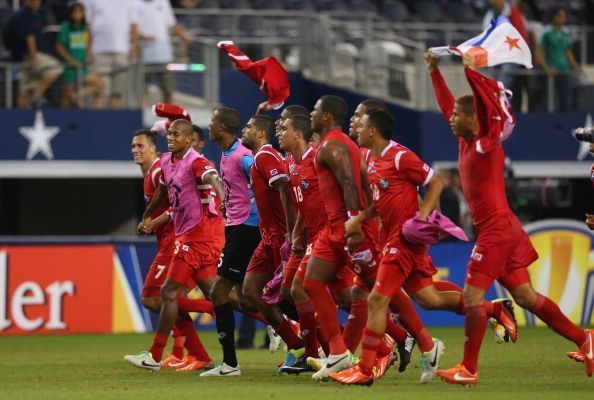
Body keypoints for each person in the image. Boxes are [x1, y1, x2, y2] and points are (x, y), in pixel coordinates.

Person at [424, 50, 593, 385]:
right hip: (505, 226)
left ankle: (468, 369)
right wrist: (435, 73)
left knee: (472, 297)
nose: (451, 118)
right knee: (525, 297)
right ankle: (585, 339)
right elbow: (447, 106)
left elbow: (488, 110)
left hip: (496, 230)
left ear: (474, 120)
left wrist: (471, 73)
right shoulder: (465, 140)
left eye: (458, 115)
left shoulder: (488, 144)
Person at [124, 119, 226, 372]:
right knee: (222, 295)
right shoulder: (168, 163)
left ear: (189, 139)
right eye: (168, 133)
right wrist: (147, 215)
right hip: (186, 237)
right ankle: (280, 324)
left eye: (176, 134)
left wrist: (223, 194)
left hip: (194, 238)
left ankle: (156, 356)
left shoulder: (195, 161)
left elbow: (211, 176)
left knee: (163, 295)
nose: (170, 137)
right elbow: (162, 191)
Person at [201, 107, 266, 377]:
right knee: (253, 297)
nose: (209, 125)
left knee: (218, 292)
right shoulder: (227, 154)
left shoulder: (244, 157)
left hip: (246, 231)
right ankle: (299, 334)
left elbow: (268, 186)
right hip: (237, 229)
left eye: (213, 121)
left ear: (223, 127)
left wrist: (258, 217)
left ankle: (230, 364)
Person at [82, 0, 140, 108]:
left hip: (122, 52)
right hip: (99, 51)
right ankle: (97, 122)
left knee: (118, 92)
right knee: (99, 92)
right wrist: (88, 49)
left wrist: (135, 48)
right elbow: (89, 26)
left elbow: (134, 26)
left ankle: (116, 123)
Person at [135, 0, 191, 104]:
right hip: (143, 56)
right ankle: (144, 114)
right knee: (142, 90)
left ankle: (167, 114)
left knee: (168, 89)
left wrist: (183, 34)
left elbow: (172, 23)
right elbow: (131, 27)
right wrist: (142, 37)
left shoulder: (163, 2)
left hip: (163, 55)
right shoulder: (134, 3)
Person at [10, 0, 64, 108]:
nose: (36, 2)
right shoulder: (23, 15)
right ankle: (36, 97)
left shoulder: (37, 14)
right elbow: (29, 38)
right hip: (29, 57)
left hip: (29, 58)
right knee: (57, 68)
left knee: (27, 89)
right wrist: (33, 58)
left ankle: (20, 119)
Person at [55, 1, 105, 108]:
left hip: (82, 68)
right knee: (66, 100)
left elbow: (87, 44)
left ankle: (77, 95)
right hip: (69, 69)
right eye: (75, 12)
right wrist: (71, 61)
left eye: (80, 12)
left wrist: (89, 55)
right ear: (70, 14)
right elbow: (59, 47)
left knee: (101, 84)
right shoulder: (66, 26)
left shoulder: (85, 27)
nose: (77, 15)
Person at [536, 7, 582, 111]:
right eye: (560, 16)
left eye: (564, 17)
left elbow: (568, 51)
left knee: (565, 100)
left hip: (564, 71)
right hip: (551, 72)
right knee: (548, 100)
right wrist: (546, 67)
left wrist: (575, 67)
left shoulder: (566, 32)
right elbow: (539, 51)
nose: (562, 19)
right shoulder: (545, 31)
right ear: (554, 17)